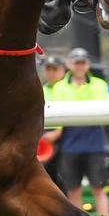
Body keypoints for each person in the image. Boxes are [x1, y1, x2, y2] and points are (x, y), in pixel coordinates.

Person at [50, 47, 109, 216]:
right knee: (73, 189)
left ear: (87, 65)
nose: (79, 66)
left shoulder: (99, 84)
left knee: (98, 188)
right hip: (70, 143)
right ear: (69, 64)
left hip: (94, 142)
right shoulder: (60, 87)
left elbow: (99, 109)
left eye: (82, 63)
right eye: (76, 63)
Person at [40, 55, 68, 189]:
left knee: (64, 179)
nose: (51, 73)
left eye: (54, 69)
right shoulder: (41, 90)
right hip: (44, 137)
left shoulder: (68, 88)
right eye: (48, 69)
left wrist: (58, 132)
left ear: (62, 70)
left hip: (64, 138)